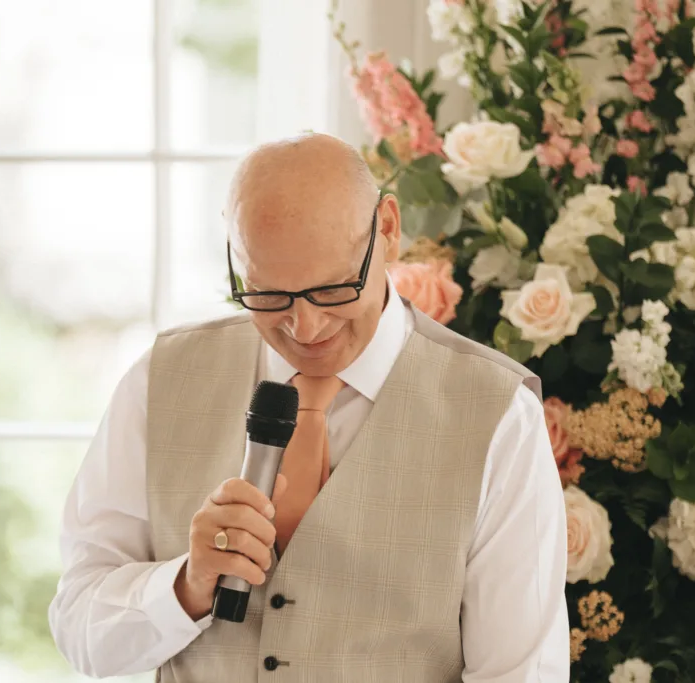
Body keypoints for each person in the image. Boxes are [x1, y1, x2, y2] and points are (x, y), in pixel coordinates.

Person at [48, 133, 569, 682]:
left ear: (387, 230)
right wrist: (186, 584)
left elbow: (522, 675)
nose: (306, 327)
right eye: (269, 295)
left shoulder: (498, 414)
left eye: (334, 290)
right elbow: (82, 628)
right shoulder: (160, 379)